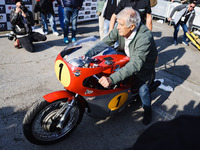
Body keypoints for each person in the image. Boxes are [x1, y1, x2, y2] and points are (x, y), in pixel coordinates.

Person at [99, 7, 158, 125]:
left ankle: (147, 110)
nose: (117, 27)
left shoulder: (144, 37)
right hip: (126, 57)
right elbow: (104, 42)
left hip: (143, 66)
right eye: (117, 23)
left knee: (143, 90)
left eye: (120, 24)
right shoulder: (122, 28)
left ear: (131, 27)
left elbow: (136, 65)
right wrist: (86, 55)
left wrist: (111, 79)